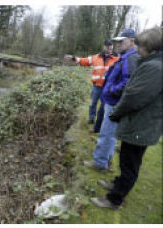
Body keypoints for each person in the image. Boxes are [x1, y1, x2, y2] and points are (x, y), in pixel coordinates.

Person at [91, 26, 162, 209]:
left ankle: (114, 199)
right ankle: (117, 184)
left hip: (141, 125)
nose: (137, 50)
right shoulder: (151, 63)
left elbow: (134, 96)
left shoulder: (155, 67)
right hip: (139, 123)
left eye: (141, 46)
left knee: (130, 164)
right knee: (126, 158)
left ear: (151, 47)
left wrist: (117, 113)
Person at [83, 29, 139, 171]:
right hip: (113, 101)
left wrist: (112, 90)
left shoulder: (130, 58)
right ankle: (106, 161)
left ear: (132, 41)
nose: (118, 44)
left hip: (114, 102)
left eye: (122, 41)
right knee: (110, 134)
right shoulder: (124, 56)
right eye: (117, 41)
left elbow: (128, 82)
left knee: (106, 134)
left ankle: (100, 163)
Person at [64, 40, 119, 133]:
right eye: (108, 47)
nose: (110, 50)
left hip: (108, 87)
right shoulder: (95, 57)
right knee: (93, 103)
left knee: (105, 105)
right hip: (97, 86)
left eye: (111, 48)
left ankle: (102, 122)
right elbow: (83, 60)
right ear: (104, 47)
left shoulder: (116, 58)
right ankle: (91, 118)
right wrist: (73, 58)